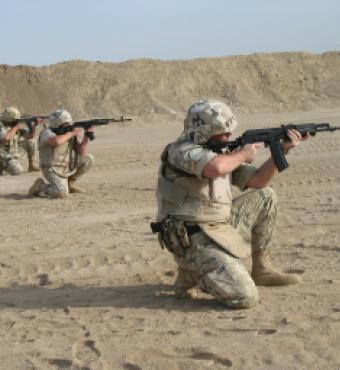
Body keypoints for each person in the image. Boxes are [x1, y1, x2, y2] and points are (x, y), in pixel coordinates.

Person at [154, 99, 307, 309]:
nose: (228, 137)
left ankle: (262, 269)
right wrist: (243, 154)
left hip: (218, 227)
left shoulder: (221, 153)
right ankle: (193, 273)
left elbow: (258, 181)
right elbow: (215, 168)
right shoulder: (180, 151)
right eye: (223, 133)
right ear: (204, 132)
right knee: (245, 297)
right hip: (192, 239)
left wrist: (281, 151)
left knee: (265, 196)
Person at [28, 109, 94, 198]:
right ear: (57, 124)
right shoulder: (47, 132)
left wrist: (86, 136)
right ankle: (42, 186)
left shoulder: (67, 133)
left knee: (88, 159)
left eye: (69, 124)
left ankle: (70, 184)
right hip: (51, 169)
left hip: (66, 166)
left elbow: (81, 152)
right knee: (61, 193)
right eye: (65, 124)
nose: (69, 126)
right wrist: (72, 133)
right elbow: (56, 141)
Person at [0, 106, 41, 175]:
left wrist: (34, 126)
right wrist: (16, 127)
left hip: (11, 154)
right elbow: (5, 139)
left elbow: (31, 136)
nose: (17, 120)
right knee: (17, 170)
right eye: (16, 119)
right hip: (2, 155)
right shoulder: (1, 126)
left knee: (30, 142)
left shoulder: (14, 126)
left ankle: (32, 165)